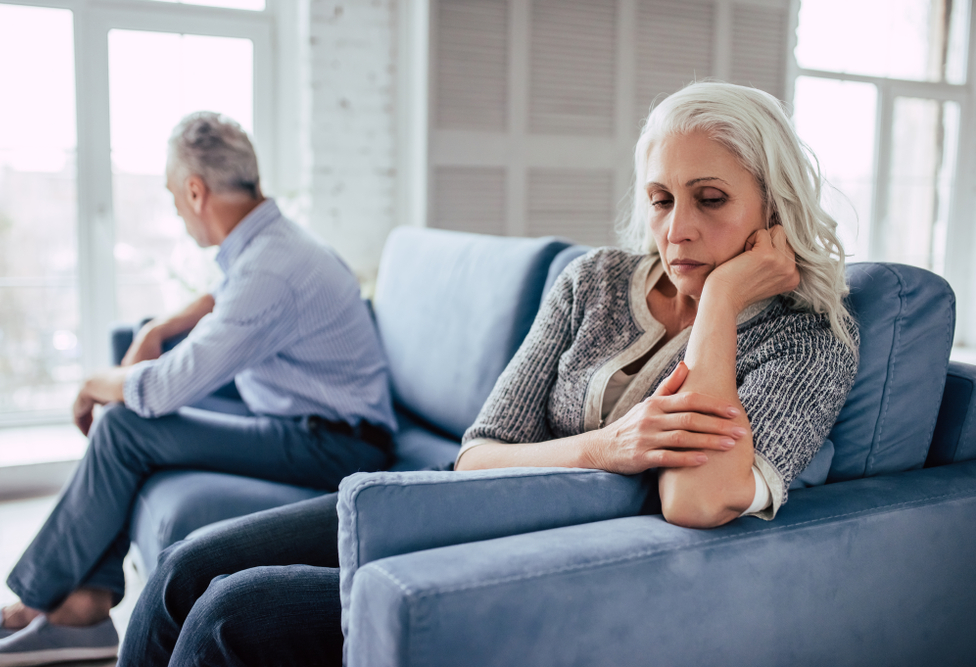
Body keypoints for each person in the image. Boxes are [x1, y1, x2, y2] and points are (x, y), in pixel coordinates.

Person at [108, 81, 856, 666]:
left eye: (712, 199)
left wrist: (722, 301)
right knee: (185, 568)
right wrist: (608, 446)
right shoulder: (592, 280)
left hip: (540, 567)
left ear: (774, 204)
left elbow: (696, 498)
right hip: (458, 505)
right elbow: (477, 453)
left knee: (235, 614)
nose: (677, 229)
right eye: (661, 199)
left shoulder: (808, 342)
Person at [0, 112, 396, 665]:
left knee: (127, 422)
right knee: (128, 422)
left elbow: (163, 388)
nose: (176, 210)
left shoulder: (270, 266)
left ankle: (45, 604)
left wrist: (91, 384)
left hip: (337, 445)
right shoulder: (270, 241)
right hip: (305, 419)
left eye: (174, 197)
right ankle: (83, 603)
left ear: (195, 191)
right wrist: (159, 328)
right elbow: (222, 295)